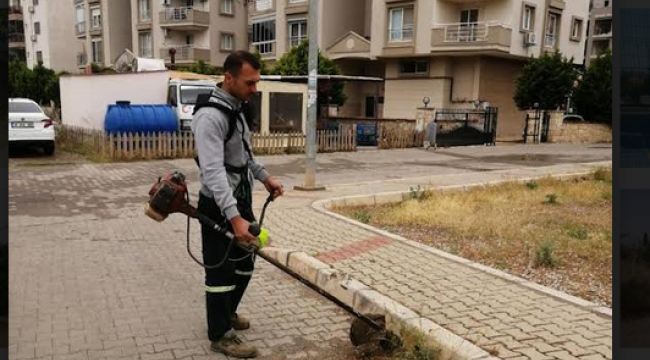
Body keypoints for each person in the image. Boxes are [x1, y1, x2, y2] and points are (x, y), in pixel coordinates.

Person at [192, 50, 283, 358]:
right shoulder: (210, 117)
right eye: (249, 83)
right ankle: (219, 335)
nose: (254, 90)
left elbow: (245, 157)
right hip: (218, 206)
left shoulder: (238, 109)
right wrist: (234, 218)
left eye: (256, 83)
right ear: (228, 78)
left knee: (245, 264)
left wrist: (265, 177)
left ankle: (227, 313)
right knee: (219, 272)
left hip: (239, 201)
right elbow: (214, 172)